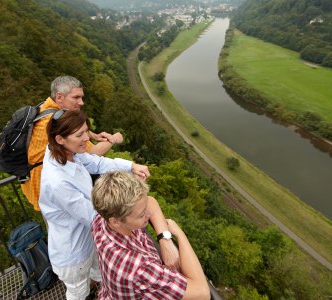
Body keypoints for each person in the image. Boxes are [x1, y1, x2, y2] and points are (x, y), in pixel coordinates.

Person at [39, 110, 179, 300]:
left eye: (86, 131)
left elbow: (95, 163)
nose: (86, 138)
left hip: (91, 240)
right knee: (78, 292)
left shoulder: (65, 151)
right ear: (60, 139)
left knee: (100, 275)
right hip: (73, 251)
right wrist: (130, 206)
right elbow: (93, 216)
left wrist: (130, 166)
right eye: (79, 134)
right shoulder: (57, 182)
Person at [91, 172, 210, 300]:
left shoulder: (102, 219)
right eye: (141, 215)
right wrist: (180, 235)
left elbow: (151, 202)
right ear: (116, 221)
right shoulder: (140, 269)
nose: (148, 214)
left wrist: (165, 240)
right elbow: (202, 293)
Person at [21, 75, 123, 212]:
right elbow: (94, 153)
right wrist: (114, 139)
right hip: (48, 190)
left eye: (81, 97)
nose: (81, 102)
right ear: (59, 97)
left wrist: (93, 135)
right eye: (75, 98)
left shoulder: (46, 109)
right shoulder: (51, 123)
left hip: (41, 182)